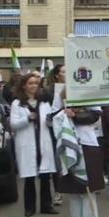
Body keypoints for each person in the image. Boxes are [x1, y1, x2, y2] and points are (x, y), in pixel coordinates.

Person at [54, 89, 105, 217]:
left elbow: (95, 116)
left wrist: (75, 115)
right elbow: (52, 116)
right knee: (73, 187)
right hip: (68, 144)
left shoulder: (90, 94)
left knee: (87, 185)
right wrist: (64, 114)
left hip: (87, 143)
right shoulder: (61, 96)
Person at [10, 73, 58, 217]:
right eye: (30, 83)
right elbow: (13, 124)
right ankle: (29, 208)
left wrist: (51, 121)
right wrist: (27, 118)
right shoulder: (17, 103)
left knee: (45, 176)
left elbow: (51, 121)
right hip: (27, 143)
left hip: (43, 141)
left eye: (36, 83)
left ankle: (46, 206)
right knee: (29, 177)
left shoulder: (44, 102)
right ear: (24, 86)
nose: (33, 86)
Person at [43, 63, 66, 206]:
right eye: (64, 72)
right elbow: (48, 112)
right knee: (58, 160)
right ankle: (58, 191)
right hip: (56, 127)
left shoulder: (75, 87)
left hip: (72, 126)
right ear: (57, 75)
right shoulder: (49, 90)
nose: (67, 74)